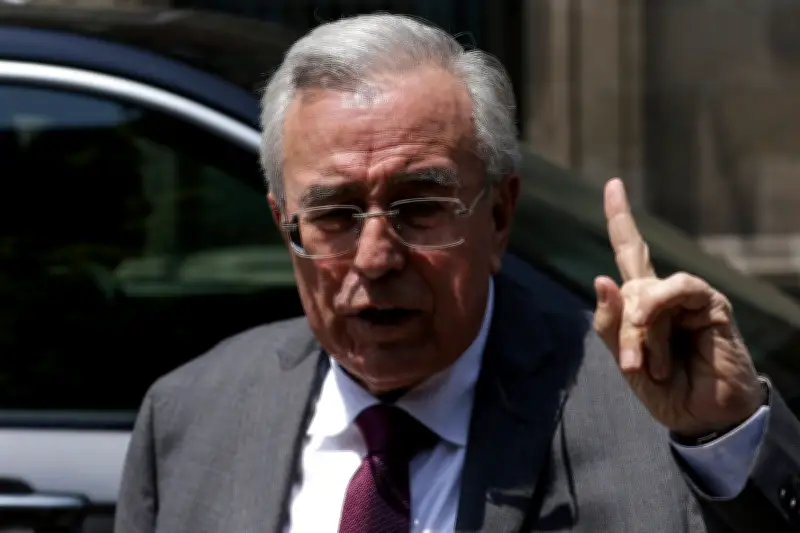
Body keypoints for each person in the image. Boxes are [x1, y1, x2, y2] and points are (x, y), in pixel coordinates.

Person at [114, 13, 800, 533]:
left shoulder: (646, 417)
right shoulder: (190, 415)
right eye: (334, 214)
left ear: (498, 216)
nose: (375, 257)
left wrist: (723, 438)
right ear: (283, 222)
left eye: (420, 207)